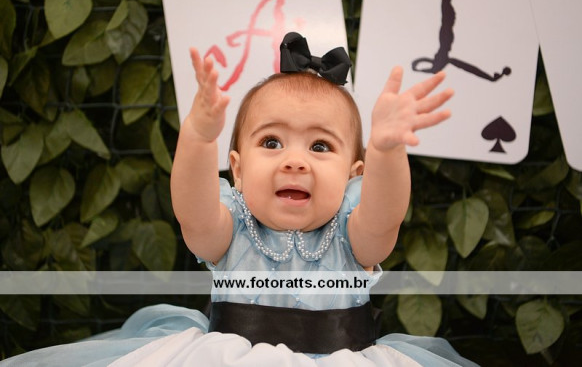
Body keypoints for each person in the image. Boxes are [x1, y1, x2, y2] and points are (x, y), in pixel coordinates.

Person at [0, 33, 478, 367]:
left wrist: (388, 152)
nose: (295, 161)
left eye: (320, 146)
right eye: (271, 142)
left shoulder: (353, 234)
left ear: (355, 176)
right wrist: (197, 138)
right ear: (239, 169)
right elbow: (193, 213)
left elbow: (384, 218)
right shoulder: (232, 225)